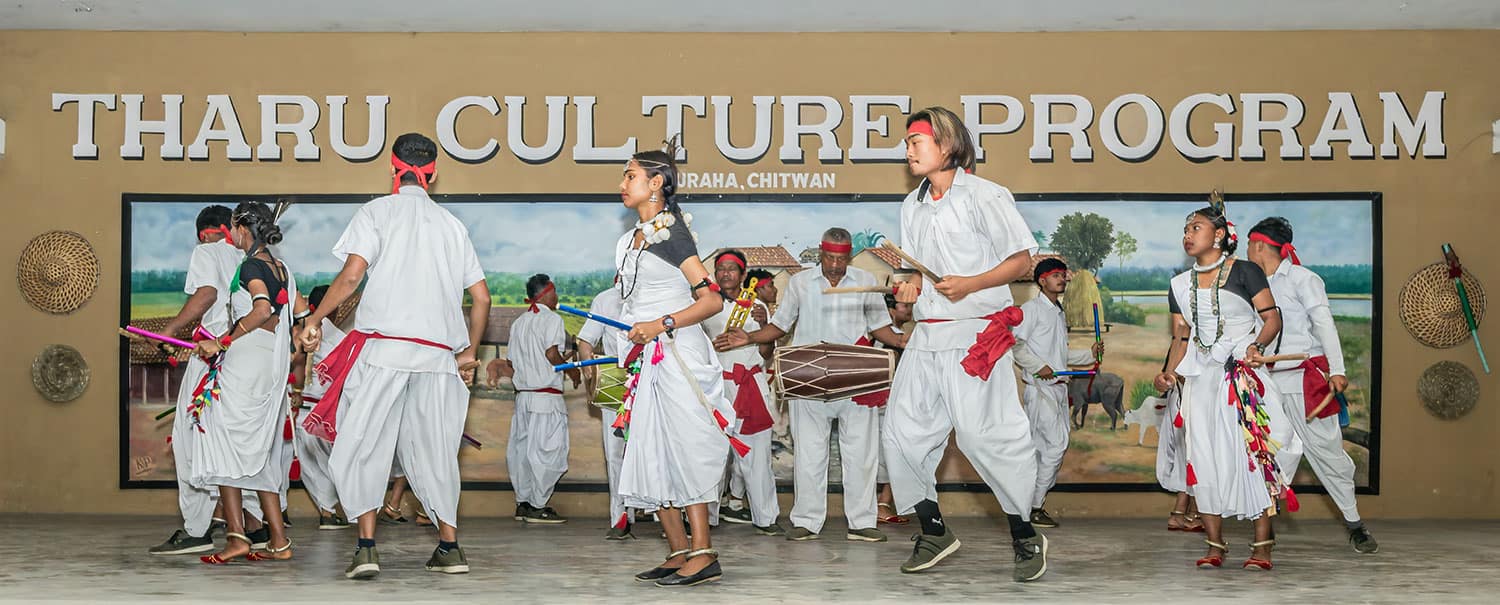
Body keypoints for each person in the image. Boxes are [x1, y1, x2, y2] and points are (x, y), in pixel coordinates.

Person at [298, 132, 490, 579]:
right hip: (438, 360)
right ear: (433, 172)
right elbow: (480, 299)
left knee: (364, 444)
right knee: (438, 450)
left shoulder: (376, 212)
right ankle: (450, 547)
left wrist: (315, 319)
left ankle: (366, 548)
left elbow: (350, 278)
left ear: (392, 166)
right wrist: (468, 353)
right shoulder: (451, 225)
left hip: (382, 352)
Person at [883, 106, 1047, 582]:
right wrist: (909, 285)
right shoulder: (911, 204)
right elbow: (915, 267)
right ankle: (933, 529)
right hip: (928, 333)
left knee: (984, 435)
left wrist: (972, 283)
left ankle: (1024, 533)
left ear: (948, 146)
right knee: (900, 432)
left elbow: (1023, 260)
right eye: (908, 142)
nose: (908, 149)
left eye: (917, 141)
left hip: (977, 334)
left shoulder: (986, 196)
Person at [719, 228, 905, 544]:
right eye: (830, 258)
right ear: (821, 253)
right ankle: (807, 520)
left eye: (841, 259)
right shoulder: (801, 283)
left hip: (856, 378)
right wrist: (749, 337)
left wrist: (906, 341)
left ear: (848, 255)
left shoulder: (864, 282)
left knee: (861, 454)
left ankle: (861, 522)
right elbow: (780, 327)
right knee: (809, 452)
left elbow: (881, 329)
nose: (835, 265)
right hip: (807, 377)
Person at [614, 140, 737, 587]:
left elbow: (710, 299)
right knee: (650, 447)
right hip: (650, 357)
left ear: (656, 183)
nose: (622, 184)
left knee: (685, 446)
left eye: (630, 176)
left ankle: (703, 551)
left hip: (678, 352)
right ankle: (677, 549)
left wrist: (660, 323)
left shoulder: (674, 235)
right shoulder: (631, 239)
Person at [1156, 203, 1295, 571]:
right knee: (1203, 458)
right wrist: (1168, 374)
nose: (1188, 234)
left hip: (1240, 380)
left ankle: (1262, 548)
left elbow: (1272, 318)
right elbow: (1181, 338)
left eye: (1196, 227)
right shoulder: (1178, 284)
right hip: (1201, 385)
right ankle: (1215, 546)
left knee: (1251, 458)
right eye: (1185, 228)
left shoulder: (1245, 271)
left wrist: (1256, 347)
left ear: (1219, 235)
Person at [1247, 216, 1377, 554]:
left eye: (1249, 244)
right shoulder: (1254, 284)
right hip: (1268, 385)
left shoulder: (1303, 279)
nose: (1247, 250)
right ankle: (1264, 531)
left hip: (1306, 382)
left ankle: (1354, 525)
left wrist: (1337, 369)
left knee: (1328, 457)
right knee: (1268, 455)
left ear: (1260, 245)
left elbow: (1324, 323)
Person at [148, 205, 268, 555]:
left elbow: (207, 294)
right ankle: (256, 526)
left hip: (215, 357)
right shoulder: (259, 259)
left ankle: (197, 528)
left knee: (191, 440)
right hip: (251, 360)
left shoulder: (209, 251)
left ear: (214, 230)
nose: (204, 241)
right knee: (239, 443)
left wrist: (169, 331)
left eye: (204, 236)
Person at [189, 201, 304, 564]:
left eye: (233, 229)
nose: (230, 235)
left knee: (221, 438)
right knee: (259, 451)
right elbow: (300, 312)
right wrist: (302, 337)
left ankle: (237, 537)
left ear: (241, 228)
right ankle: (278, 541)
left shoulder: (252, 265)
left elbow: (262, 309)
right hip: (270, 362)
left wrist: (222, 341)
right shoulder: (281, 266)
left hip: (247, 358)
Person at [1011, 258, 1104, 528]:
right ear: (1042, 280)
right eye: (1056, 275)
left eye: (1063, 275)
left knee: (1045, 450)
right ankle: (1034, 506)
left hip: (1058, 390)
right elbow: (1016, 346)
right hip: (1041, 390)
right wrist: (1039, 367)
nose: (1062, 279)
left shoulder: (1057, 311)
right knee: (1055, 446)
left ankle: (1028, 507)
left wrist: (1089, 354)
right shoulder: (1031, 310)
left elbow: (1059, 357)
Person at [486, 274, 579, 524]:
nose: (557, 296)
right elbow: (551, 354)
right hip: (545, 399)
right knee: (550, 452)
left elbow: (513, 363)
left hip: (524, 399)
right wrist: (572, 370)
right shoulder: (552, 320)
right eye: (555, 291)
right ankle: (538, 505)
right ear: (547, 293)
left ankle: (523, 504)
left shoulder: (519, 323)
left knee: (523, 453)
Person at [704, 250, 783, 536]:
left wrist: (764, 326)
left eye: (732, 269)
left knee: (757, 456)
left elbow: (767, 352)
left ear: (742, 273)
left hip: (750, 386)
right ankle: (703, 521)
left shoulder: (758, 305)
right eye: (720, 268)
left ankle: (766, 518)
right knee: (710, 456)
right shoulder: (704, 305)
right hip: (714, 388)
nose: (726, 273)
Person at [575, 278, 634, 539]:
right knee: (616, 454)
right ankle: (620, 518)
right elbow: (586, 341)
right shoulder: (606, 299)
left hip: (656, 382)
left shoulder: (661, 295)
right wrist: (589, 369)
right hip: (617, 383)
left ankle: (668, 515)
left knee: (657, 450)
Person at [290, 284, 351, 530]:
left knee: (310, 465)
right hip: (324, 414)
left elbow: (293, 360)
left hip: (300, 410)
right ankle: (335, 511)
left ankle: (327, 512)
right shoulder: (337, 337)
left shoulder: (299, 330)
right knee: (332, 464)